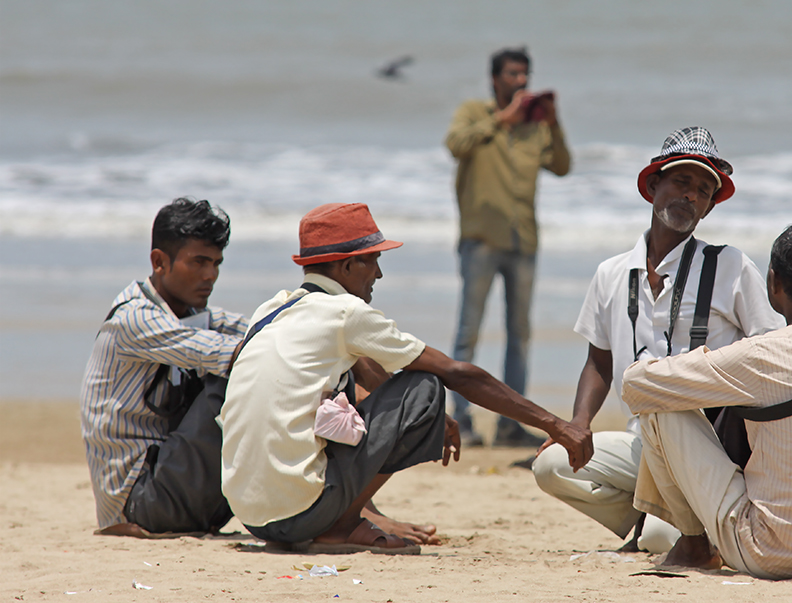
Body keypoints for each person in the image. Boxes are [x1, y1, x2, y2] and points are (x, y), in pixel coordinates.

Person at [220, 203, 592, 554]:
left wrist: (427, 422)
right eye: (373, 262)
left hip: (251, 515)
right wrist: (556, 425)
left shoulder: (271, 310)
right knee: (425, 386)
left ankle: (346, 515)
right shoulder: (345, 312)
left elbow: (363, 362)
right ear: (347, 267)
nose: (379, 274)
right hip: (301, 516)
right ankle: (341, 525)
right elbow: (455, 373)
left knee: (356, 378)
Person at [533, 127, 784, 554]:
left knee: (660, 540)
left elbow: (770, 356)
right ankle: (649, 517)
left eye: (702, 191)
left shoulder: (730, 266)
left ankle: (664, 525)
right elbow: (598, 361)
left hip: (707, 450)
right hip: (641, 442)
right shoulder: (610, 273)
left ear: (707, 208)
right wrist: (577, 425)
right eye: (681, 183)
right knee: (551, 465)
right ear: (653, 187)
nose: (690, 196)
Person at [621, 221, 792, 579]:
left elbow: (636, 384)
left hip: (772, 552)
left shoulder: (761, 355)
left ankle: (693, 546)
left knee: (661, 402)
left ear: (773, 282)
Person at [81, 197, 248, 536]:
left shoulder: (190, 316)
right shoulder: (135, 319)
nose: (210, 275)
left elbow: (261, 329)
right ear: (159, 261)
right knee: (238, 378)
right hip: (140, 501)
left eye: (216, 263)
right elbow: (237, 355)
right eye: (199, 262)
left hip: (169, 486)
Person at [445, 46, 571, 447]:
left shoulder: (536, 127)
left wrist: (554, 122)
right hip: (481, 240)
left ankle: (509, 425)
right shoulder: (475, 113)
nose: (520, 82)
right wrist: (502, 120)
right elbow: (455, 144)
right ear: (495, 79)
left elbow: (563, 166)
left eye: (525, 75)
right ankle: (460, 420)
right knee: (469, 333)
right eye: (513, 75)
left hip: (523, 242)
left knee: (519, 336)